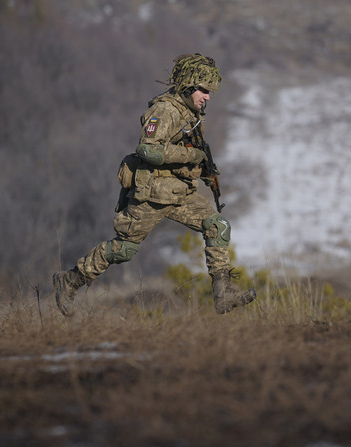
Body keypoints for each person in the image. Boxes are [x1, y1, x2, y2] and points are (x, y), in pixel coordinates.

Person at [53, 53, 256, 317]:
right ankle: (69, 281)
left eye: (210, 92)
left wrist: (203, 169)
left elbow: (188, 148)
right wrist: (191, 156)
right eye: (203, 91)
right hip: (152, 194)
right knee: (124, 249)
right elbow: (148, 150)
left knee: (217, 225)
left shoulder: (191, 112)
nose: (208, 97)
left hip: (179, 192)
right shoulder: (165, 110)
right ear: (188, 85)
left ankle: (223, 293)